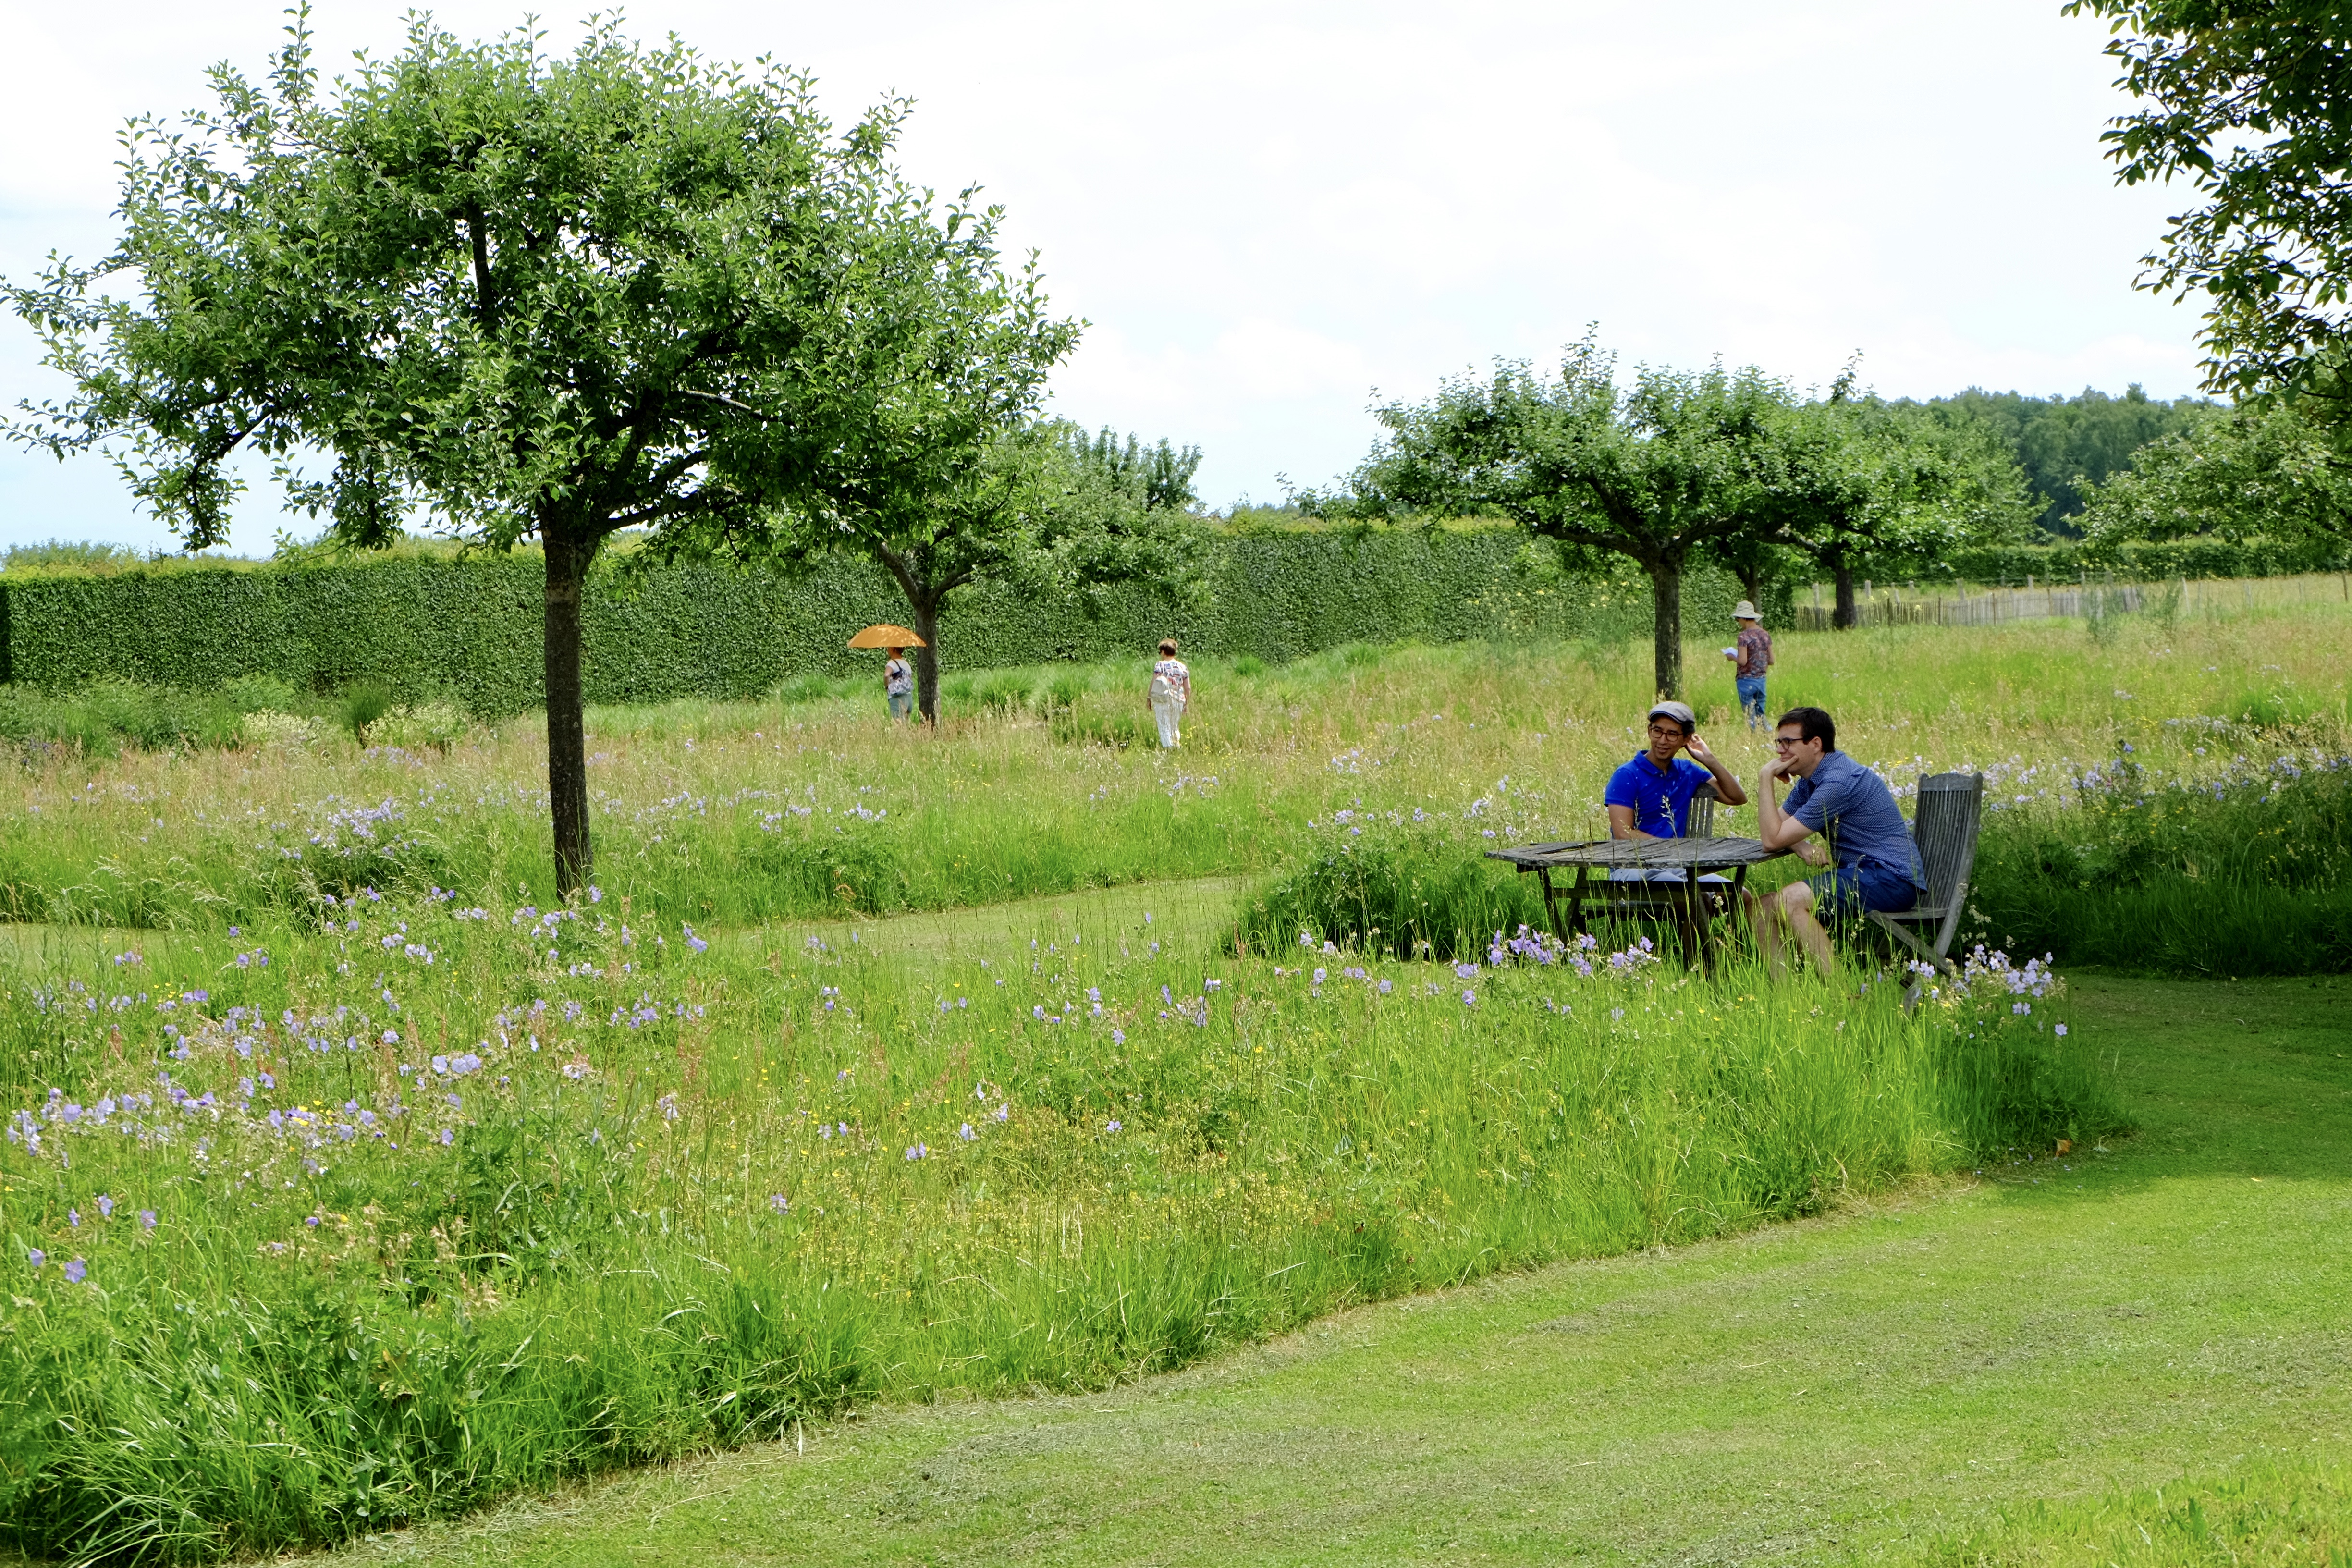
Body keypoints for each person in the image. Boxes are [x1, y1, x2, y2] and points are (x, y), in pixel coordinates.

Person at [1749, 705, 1925, 980]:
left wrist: (1765, 778)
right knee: (1763, 906)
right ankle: (1784, 994)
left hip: (1891, 878)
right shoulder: (1810, 781)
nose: (1780, 750)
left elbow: (1772, 840)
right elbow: (1773, 831)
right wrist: (1800, 845)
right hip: (1863, 875)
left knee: (1790, 900)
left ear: (1816, 744)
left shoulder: (1838, 781)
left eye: (1788, 742)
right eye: (1779, 742)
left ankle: (1837, 991)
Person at [1602, 700, 1748, 882]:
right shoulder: (1627, 775)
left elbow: (1737, 798)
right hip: (1633, 866)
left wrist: (1709, 760)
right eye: (1658, 731)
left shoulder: (1687, 771)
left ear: (1686, 739)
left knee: (1738, 895)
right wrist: (1673, 849)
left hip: (1677, 867)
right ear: (1649, 731)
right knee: (1686, 895)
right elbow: (1623, 833)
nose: (1663, 740)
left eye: (1672, 734)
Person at [1723, 600, 1773, 730]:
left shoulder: (1743, 636)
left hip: (1746, 681)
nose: (1738, 622)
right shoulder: (1765, 635)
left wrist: (1731, 657)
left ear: (1743, 618)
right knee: (1761, 713)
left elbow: (1743, 661)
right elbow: (1771, 660)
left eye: (1738, 619)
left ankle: (1754, 740)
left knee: (1750, 716)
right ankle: (1770, 735)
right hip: (1761, 680)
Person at [1147, 638, 1190, 749]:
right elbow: (1188, 688)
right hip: (1179, 699)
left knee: (1164, 725)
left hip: (1163, 699)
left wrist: (1149, 698)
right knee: (1174, 726)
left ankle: (1168, 750)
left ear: (1163, 652)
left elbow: (1155, 681)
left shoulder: (1160, 665)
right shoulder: (1183, 667)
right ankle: (1176, 747)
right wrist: (1186, 704)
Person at [883, 647, 914, 722]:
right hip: (909, 698)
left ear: (893, 649)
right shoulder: (907, 664)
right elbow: (910, 678)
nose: (888, 650)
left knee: (898, 726)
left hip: (898, 699)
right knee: (905, 725)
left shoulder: (891, 663)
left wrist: (887, 688)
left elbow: (887, 675)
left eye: (889, 648)